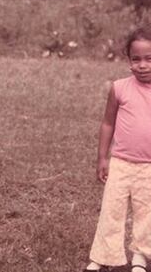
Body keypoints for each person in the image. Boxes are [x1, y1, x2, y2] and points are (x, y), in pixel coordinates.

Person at [83, 25, 151, 272]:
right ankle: (104, 256)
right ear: (129, 60)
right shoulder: (119, 88)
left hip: (149, 166)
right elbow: (107, 122)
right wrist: (102, 157)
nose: (143, 65)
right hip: (121, 161)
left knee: (147, 212)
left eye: (149, 59)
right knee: (112, 210)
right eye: (137, 59)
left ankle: (141, 257)